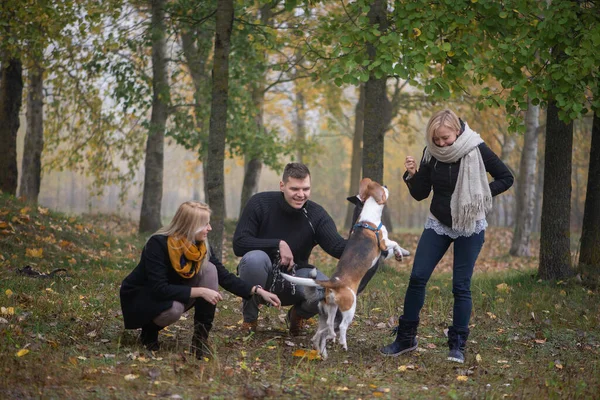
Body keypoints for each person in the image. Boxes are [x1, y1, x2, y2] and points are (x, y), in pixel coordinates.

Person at [380, 109, 514, 363]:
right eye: (436, 139)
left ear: (458, 131)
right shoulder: (430, 152)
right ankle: (406, 339)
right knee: (418, 277)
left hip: (470, 224)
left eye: (445, 138)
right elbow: (421, 194)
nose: (440, 144)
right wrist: (412, 174)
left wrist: (480, 196)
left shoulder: (476, 148)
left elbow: (507, 178)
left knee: (460, 285)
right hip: (439, 222)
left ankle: (457, 345)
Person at [119, 201, 280, 359]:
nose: (209, 228)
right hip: (143, 297)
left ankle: (200, 341)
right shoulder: (158, 244)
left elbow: (224, 276)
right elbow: (159, 288)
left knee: (210, 269)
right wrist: (201, 291)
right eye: (205, 224)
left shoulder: (201, 246)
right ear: (190, 226)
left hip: (175, 289)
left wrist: (259, 291)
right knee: (174, 309)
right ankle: (149, 331)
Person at [233, 163, 348, 335]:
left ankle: (298, 314)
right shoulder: (260, 203)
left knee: (330, 295)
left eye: (306, 189)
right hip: (261, 278)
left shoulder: (316, 215)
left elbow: (338, 248)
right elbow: (239, 243)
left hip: (296, 278)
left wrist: (361, 238)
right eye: (294, 188)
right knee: (253, 259)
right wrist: (278, 244)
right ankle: (250, 320)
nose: (301, 195)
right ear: (282, 186)